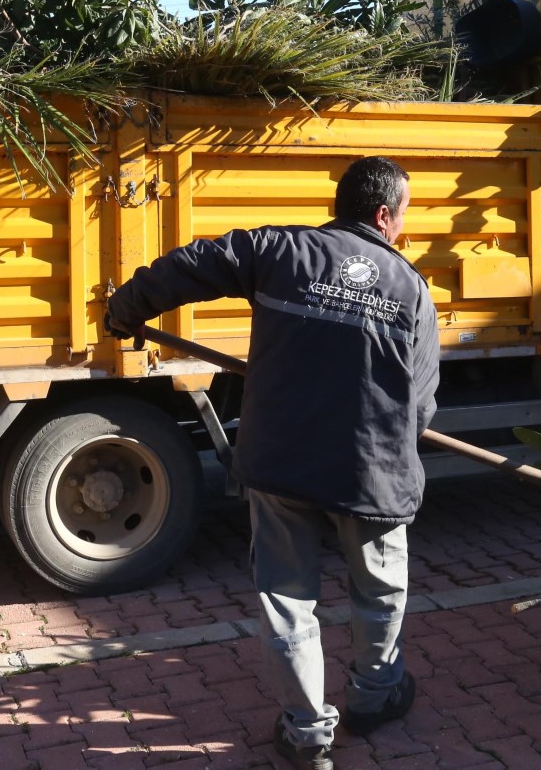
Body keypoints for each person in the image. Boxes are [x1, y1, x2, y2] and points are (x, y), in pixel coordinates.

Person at [105, 155, 439, 770]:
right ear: (383, 216)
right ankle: (374, 696)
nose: (403, 228)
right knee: (380, 590)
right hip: (371, 473)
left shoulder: (278, 250)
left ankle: (307, 734)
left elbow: (190, 264)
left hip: (282, 463)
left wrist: (127, 308)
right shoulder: (410, 288)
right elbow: (419, 406)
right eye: (404, 217)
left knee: (287, 600)